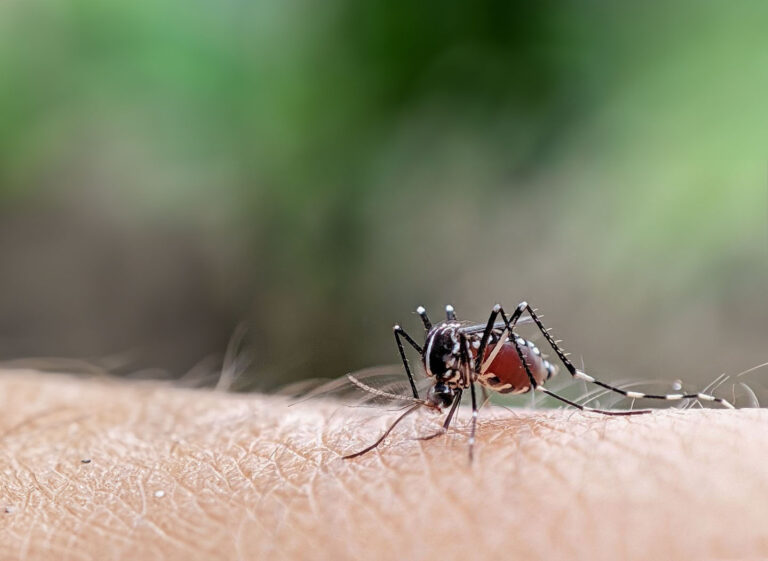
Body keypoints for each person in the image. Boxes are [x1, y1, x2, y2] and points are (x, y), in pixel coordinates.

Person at [1, 369, 766, 560]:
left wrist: (467, 411)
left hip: (513, 360)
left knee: (492, 321)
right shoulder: (439, 366)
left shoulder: (467, 364)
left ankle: (596, 394)